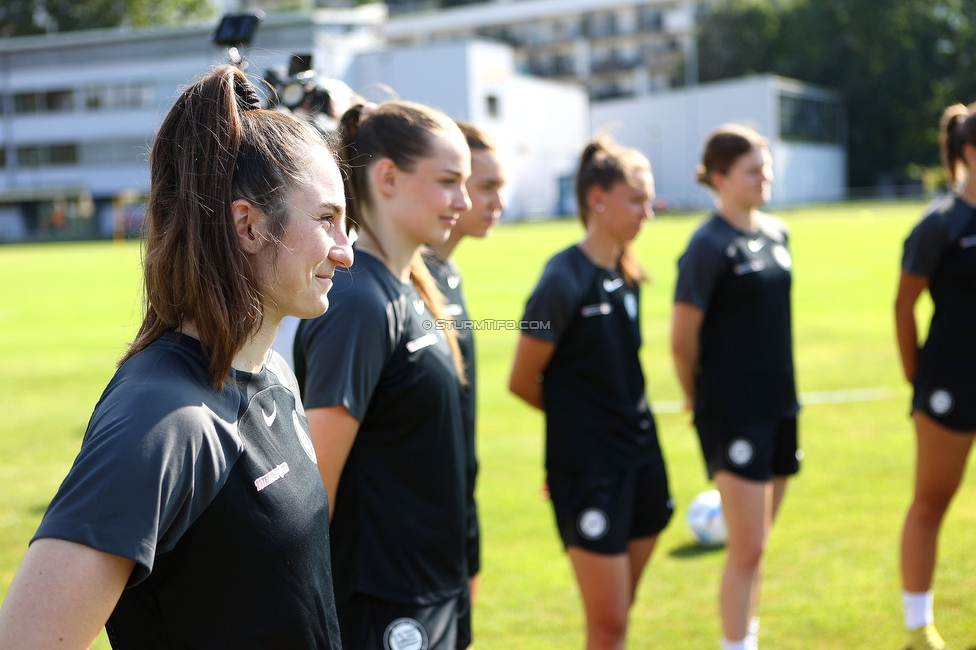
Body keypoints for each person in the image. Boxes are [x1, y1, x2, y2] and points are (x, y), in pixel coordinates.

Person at [0, 65, 352, 648]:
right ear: (249, 225)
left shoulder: (272, 376)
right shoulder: (163, 420)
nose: (345, 252)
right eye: (326, 220)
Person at [284, 100, 473, 650]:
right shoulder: (360, 303)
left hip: (428, 591)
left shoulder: (407, 286)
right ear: (387, 177)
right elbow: (317, 488)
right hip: (383, 605)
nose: (462, 200)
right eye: (447, 181)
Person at [509, 134, 673, 650]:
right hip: (590, 471)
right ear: (597, 200)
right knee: (608, 626)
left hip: (643, 459)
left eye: (649, 198)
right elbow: (522, 380)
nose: (649, 210)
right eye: (637, 199)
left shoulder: (626, 271)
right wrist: (576, 437)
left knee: (619, 616)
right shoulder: (561, 279)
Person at [671, 124, 800, 650]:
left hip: (780, 407)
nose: (763, 176)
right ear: (720, 179)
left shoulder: (777, 232)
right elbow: (682, 341)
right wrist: (696, 397)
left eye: (766, 166)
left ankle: (747, 637)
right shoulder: (707, 245)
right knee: (745, 549)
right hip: (733, 413)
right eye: (752, 169)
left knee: (759, 545)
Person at [895, 103, 976, 650]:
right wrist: (917, 382)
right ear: (970, 153)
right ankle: (919, 626)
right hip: (950, 385)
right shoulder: (940, 224)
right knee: (932, 502)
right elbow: (903, 307)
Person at [424, 120, 507, 620]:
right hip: (414, 533)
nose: (498, 200)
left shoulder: (447, 273)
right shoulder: (399, 282)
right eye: (487, 186)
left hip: (458, 504)